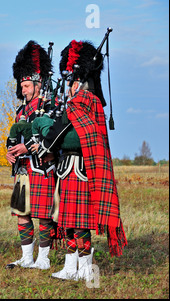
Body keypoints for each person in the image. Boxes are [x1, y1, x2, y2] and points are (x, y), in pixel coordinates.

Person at [32, 40, 127, 281]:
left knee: (80, 222)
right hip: (69, 169)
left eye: (71, 81)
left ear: (79, 81)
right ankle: (70, 267)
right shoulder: (77, 104)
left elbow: (72, 138)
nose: (68, 86)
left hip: (81, 169)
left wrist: (44, 127)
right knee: (70, 221)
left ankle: (85, 268)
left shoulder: (87, 102)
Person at [5, 41, 58, 270]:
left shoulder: (50, 105)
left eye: (26, 85)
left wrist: (29, 148)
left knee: (44, 214)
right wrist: (9, 152)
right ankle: (27, 257)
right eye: (22, 85)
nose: (23, 90)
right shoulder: (20, 111)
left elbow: (54, 134)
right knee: (22, 213)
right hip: (22, 170)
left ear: (38, 84)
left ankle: (43, 259)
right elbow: (14, 139)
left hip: (43, 167)